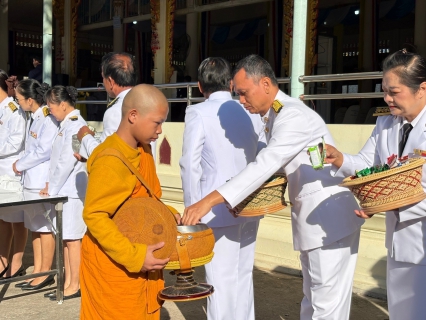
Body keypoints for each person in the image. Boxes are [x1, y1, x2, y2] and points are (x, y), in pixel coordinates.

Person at [181, 55, 364, 320]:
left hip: (329, 221)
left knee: (326, 307)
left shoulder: (292, 116)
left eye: (244, 93)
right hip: (313, 220)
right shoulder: (274, 115)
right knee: (313, 301)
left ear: (265, 83)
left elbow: (265, 164)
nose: (241, 101)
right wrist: (241, 201)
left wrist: (206, 201)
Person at [325, 49, 426, 319]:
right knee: (403, 312)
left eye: (394, 92)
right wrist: (339, 159)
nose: (387, 99)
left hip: (422, 235)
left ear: (422, 89)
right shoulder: (386, 124)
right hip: (400, 240)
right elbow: (369, 166)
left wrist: (382, 204)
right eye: (384, 91)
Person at [80, 84, 176, 319]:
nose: (160, 130)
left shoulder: (143, 150)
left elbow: (146, 199)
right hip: (114, 263)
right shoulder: (110, 160)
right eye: (157, 122)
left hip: (139, 256)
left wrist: (168, 215)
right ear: (133, 115)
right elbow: (94, 215)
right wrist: (135, 256)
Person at [179, 57, 264, 320]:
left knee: (220, 279)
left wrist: (193, 209)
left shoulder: (197, 112)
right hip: (251, 202)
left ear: (199, 86)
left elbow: (189, 164)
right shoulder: (248, 108)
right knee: (242, 274)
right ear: (230, 83)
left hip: (215, 208)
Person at [38, 85, 88, 300]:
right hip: (65, 189)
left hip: (72, 192)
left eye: (51, 107)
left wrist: (52, 189)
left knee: (73, 239)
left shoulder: (75, 124)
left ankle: (74, 284)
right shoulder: (66, 124)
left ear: (63, 105)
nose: (50, 111)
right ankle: (68, 281)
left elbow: (66, 162)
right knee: (67, 239)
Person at [11, 80, 59, 291]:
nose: (18, 103)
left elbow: (44, 152)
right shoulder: (35, 117)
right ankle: (38, 271)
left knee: (46, 228)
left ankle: (45, 273)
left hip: (41, 181)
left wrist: (19, 164)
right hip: (30, 180)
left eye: (20, 99)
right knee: (35, 228)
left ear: (30, 100)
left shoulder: (48, 119)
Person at [76, 52, 137, 159]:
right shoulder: (145, 101)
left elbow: (105, 154)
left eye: (103, 78)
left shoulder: (117, 110)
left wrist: (85, 137)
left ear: (110, 81)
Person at [0, 72, 27, 279]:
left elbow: (16, 141)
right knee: (2, 220)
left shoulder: (14, 110)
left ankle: (16, 264)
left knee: (17, 220)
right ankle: (3, 262)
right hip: (1, 172)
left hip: (11, 171)